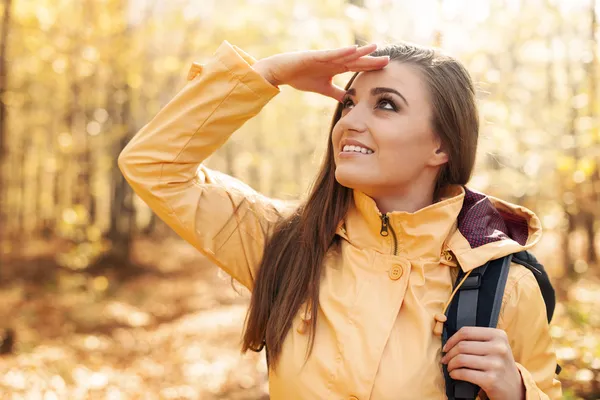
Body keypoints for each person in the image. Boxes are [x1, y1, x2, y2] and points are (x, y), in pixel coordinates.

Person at [118, 41, 562, 399]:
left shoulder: (504, 285)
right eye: (349, 103)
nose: (350, 121)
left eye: (386, 105)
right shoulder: (285, 241)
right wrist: (267, 74)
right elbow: (154, 166)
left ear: (440, 148)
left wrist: (518, 393)